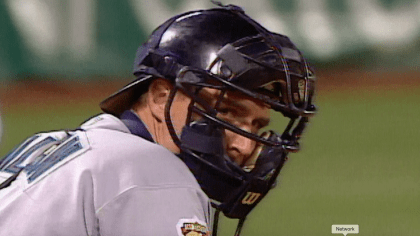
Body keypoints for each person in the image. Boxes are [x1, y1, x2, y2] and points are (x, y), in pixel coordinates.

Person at [0, 4, 316, 236]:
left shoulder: (74, 144)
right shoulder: (150, 171)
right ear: (161, 96)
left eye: (257, 125)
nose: (244, 145)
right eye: (226, 111)